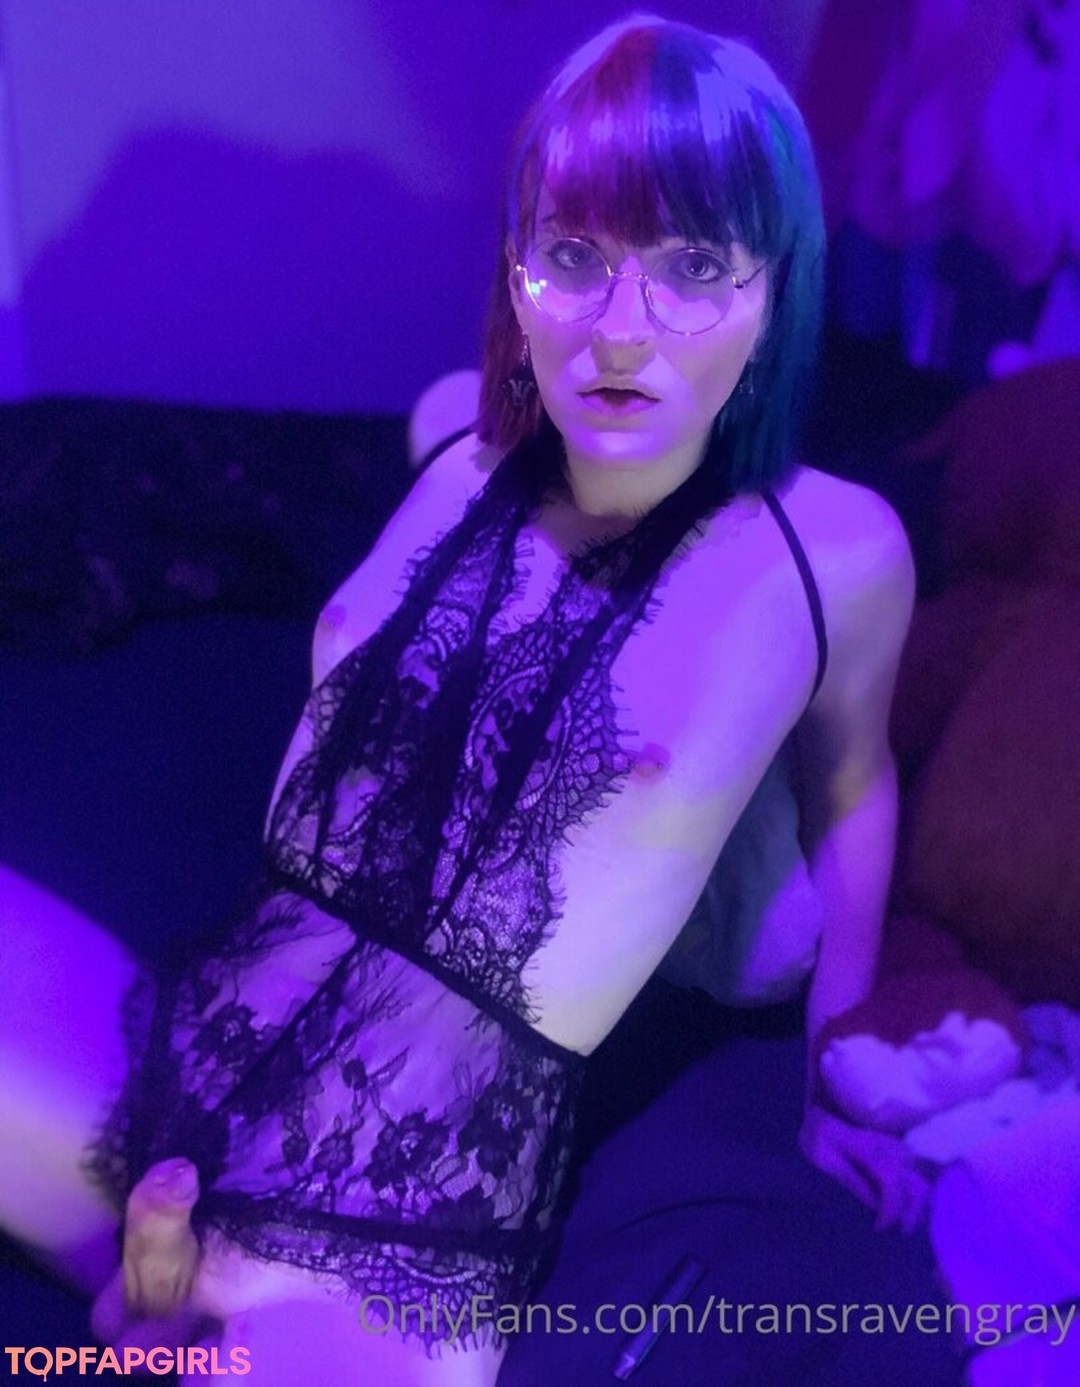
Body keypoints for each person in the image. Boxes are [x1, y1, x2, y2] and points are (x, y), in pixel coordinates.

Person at [0, 15, 924, 1385]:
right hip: (178, 1042)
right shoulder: (454, 444)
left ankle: (139, 1338)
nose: (621, 332)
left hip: (405, 1220)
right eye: (574, 258)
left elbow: (853, 786)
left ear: (775, 291)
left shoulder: (835, 554)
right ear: (517, 266)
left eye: (693, 270)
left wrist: (836, 1064)